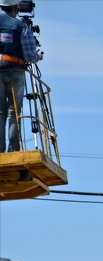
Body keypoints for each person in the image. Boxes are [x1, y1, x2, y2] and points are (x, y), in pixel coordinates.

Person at [0, 0, 38, 153]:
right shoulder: (21, 26)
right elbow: (30, 56)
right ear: (16, 8)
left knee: (0, 112)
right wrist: (38, 56)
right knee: (13, 112)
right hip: (16, 71)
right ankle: (14, 149)